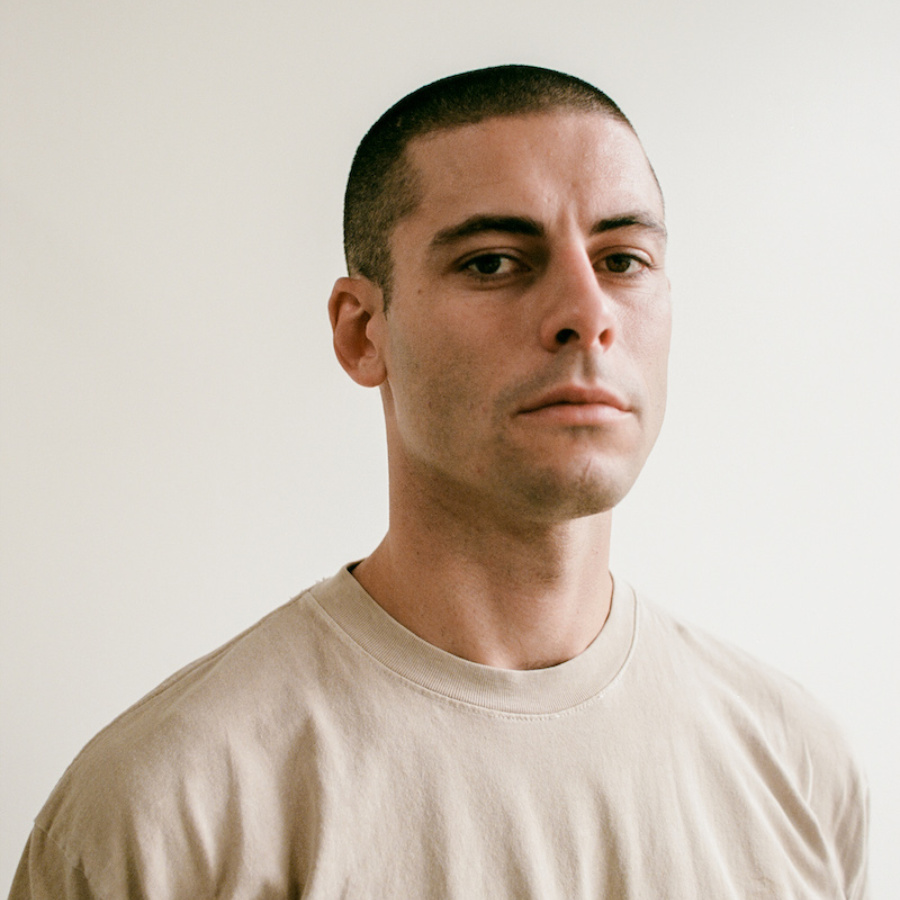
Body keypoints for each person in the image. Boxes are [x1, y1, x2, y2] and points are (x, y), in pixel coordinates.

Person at [10, 64, 868, 899]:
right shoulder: (172, 811)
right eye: (493, 262)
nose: (587, 313)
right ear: (363, 332)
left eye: (623, 260)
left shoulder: (798, 771)